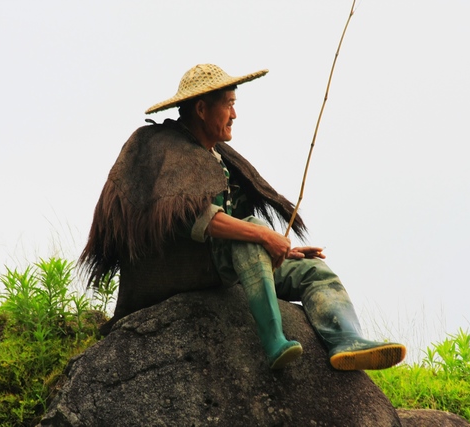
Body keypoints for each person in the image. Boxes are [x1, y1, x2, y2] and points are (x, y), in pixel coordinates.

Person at [79, 64, 406, 371]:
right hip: (179, 267)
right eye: (229, 105)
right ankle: (275, 342)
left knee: (312, 269)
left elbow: (237, 223)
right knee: (252, 235)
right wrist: (264, 236)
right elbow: (196, 219)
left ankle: (344, 339)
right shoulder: (165, 147)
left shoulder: (217, 155)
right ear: (202, 109)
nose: (235, 114)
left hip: (225, 261)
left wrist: (284, 251)